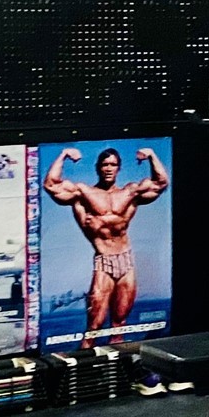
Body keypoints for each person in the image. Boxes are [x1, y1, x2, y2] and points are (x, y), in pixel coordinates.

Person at [43, 145, 168, 340]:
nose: (109, 168)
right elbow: (51, 185)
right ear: (98, 168)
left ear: (119, 168)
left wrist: (151, 155)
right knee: (94, 326)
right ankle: (82, 361)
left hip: (126, 262)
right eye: (105, 164)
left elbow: (161, 183)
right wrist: (64, 154)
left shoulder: (130, 193)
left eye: (113, 165)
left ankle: (117, 360)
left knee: (119, 325)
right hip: (104, 261)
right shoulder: (83, 193)